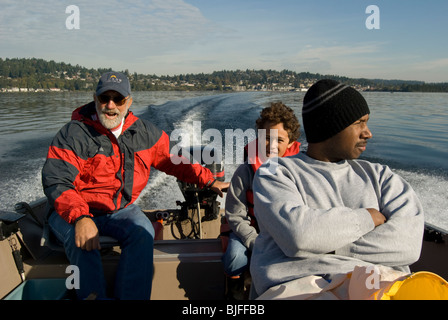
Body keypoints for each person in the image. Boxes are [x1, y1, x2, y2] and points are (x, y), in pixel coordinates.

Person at [42, 71, 228, 300]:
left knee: (143, 232)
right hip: (72, 211)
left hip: (119, 211)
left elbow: (175, 160)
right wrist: (81, 218)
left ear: (128, 101)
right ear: (95, 98)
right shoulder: (73, 134)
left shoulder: (145, 134)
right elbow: (57, 180)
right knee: (83, 240)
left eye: (118, 99)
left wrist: (209, 180)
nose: (110, 105)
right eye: (104, 98)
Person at [250, 79, 425, 299]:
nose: (368, 133)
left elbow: (408, 245)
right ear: (329, 126)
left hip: (383, 285)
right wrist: (367, 219)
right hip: (303, 289)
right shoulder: (275, 173)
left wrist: (328, 245)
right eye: (359, 123)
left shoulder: (381, 176)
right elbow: (300, 236)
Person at [222, 102, 301, 299]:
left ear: (291, 143)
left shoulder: (300, 172)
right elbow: (234, 214)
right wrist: (253, 241)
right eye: (266, 138)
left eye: (279, 140)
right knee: (234, 258)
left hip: (284, 233)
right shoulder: (245, 171)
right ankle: (235, 294)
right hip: (250, 230)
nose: (271, 145)